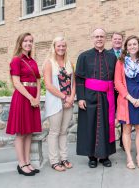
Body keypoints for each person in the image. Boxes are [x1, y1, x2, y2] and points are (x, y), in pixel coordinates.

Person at [75, 28, 117, 168]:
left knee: (106, 125)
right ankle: (92, 157)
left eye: (102, 36)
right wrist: (80, 98)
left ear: (106, 39)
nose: (99, 39)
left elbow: (115, 79)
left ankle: (105, 156)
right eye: (97, 36)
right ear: (92, 38)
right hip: (89, 96)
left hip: (107, 97)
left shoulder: (112, 57)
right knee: (90, 126)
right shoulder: (84, 56)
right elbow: (79, 79)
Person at [114, 35, 139, 169]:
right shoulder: (120, 62)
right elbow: (117, 83)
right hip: (126, 99)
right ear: (126, 47)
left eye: (134, 44)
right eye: (129, 45)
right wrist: (130, 98)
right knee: (126, 129)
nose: (132, 47)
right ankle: (129, 159)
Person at [6, 32, 41, 176]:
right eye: (26, 41)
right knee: (21, 133)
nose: (28, 43)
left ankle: (28, 162)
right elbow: (16, 82)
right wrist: (30, 98)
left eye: (30, 41)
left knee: (29, 132)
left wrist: (37, 97)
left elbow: (38, 80)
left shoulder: (32, 60)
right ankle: (21, 164)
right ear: (20, 43)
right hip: (22, 98)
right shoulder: (16, 60)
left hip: (33, 98)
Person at [43, 36, 76, 171]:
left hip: (68, 102)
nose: (61, 48)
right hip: (56, 102)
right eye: (59, 46)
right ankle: (54, 161)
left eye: (63, 46)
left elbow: (74, 82)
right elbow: (49, 85)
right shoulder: (49, 63)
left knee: (63, 131)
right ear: (54, 47)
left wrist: (71, 97)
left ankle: (64, 158)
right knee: (55, 132)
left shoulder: (68, 62)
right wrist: (64, 97)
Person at [108, 32, 125, 150]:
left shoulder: (127, 53)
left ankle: (124, 142)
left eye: (119, 39)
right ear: (111, 40)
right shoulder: (107, 54)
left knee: (124, 116)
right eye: (115, 39)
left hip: (124, 90)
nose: (117, 41)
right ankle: (109, 142)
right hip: (111, 90)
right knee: (110, 117)